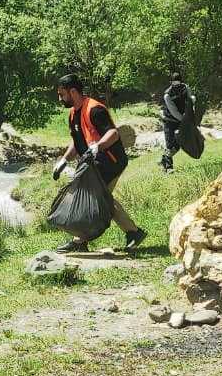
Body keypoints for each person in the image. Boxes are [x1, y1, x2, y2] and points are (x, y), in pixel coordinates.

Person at [52, 74, 146, 252]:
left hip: (111, 161)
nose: (60, 99)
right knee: (99, 198)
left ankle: (82, 241)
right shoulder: (73, 114)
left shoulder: (95, 109)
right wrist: (64, 160)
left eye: (62, 94)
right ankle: (131, 233)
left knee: (98, 198)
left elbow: (113, 134)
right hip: (95, 164)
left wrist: (97, 147)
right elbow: (77, 142)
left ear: (73, 92)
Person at [160, 72, 196, 173]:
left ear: (181, 82)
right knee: (170, 144)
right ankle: (168, 168)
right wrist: (184, 120)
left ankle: (164, 160)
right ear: (171, 82)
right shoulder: (167, 95)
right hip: (169, 121)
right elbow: (174, 111)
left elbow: (191, 98)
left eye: (178, 83)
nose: (176, 85)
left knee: (178, 144)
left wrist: (192, 101)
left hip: (181, 119)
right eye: (174, 83)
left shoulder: (185, 87)